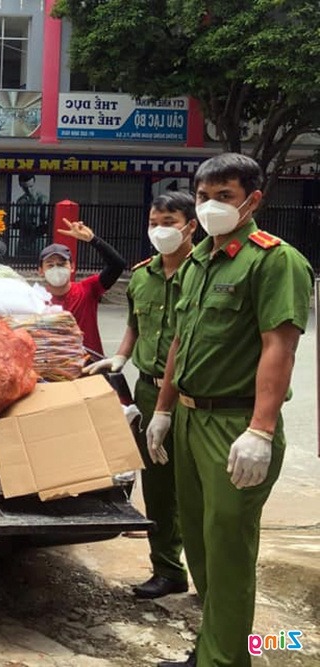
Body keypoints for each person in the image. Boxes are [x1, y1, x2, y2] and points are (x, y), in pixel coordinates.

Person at [147, 154, 313, 667]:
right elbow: (179, 341)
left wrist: (261, 431)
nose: (212, 205)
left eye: (225, 195)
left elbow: (278, 347)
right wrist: (164, 409)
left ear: (253, 200)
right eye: (204, 196)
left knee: (228, 551)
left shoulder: (274, 260)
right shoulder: (198, 262)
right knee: (198, 541)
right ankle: (213, 646)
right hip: (190, 419)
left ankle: (225, 660)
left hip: (235, 425)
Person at [84, 192, 197, 600]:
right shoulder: (144, 275)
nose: (160, 230)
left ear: (191, 226)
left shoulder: (202, 272)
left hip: (194, 394)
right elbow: (135, 323)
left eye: (169, 221)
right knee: (159, 488)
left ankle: (212, 579)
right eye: (154, 222)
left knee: (198, 491)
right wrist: (120, 356)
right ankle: (167, 570)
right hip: (150, 392)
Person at [38, 219, 126, 357]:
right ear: (41, 270)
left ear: (72, 267)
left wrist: (93, 239)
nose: (56, 268)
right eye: (50, 265)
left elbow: (117, 265)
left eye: (62, 264)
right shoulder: (35, 300)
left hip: (90, 368)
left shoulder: (88, 289)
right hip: (52, 369)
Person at [13, 173, 49, 258]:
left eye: (31, 187)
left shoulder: (43, 199)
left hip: (37, 239)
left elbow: (48, 219)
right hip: (23, 239)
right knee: (19, 263)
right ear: (21, 186)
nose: (29, 190)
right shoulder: (20, 201)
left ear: (34, 183)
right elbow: (20, 219)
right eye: (25, 188)